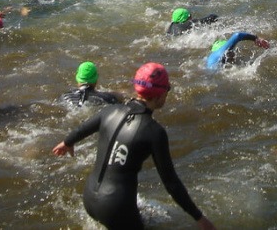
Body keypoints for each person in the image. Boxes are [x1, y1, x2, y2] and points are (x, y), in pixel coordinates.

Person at [50, 63, 217, 230]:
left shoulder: (110, 110)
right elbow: (171, 182)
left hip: (89, 198)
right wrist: (199, 217)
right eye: (168, 89)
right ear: (160, 93)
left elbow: (82, 129)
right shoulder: (154, 132)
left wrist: (67, 143)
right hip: (116, 208)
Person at [206, 31, 270, 68]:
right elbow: (237, 35)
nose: (233, 53)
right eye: (231, 50)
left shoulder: (209, 59)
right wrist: (256, 39)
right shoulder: (220, 52)